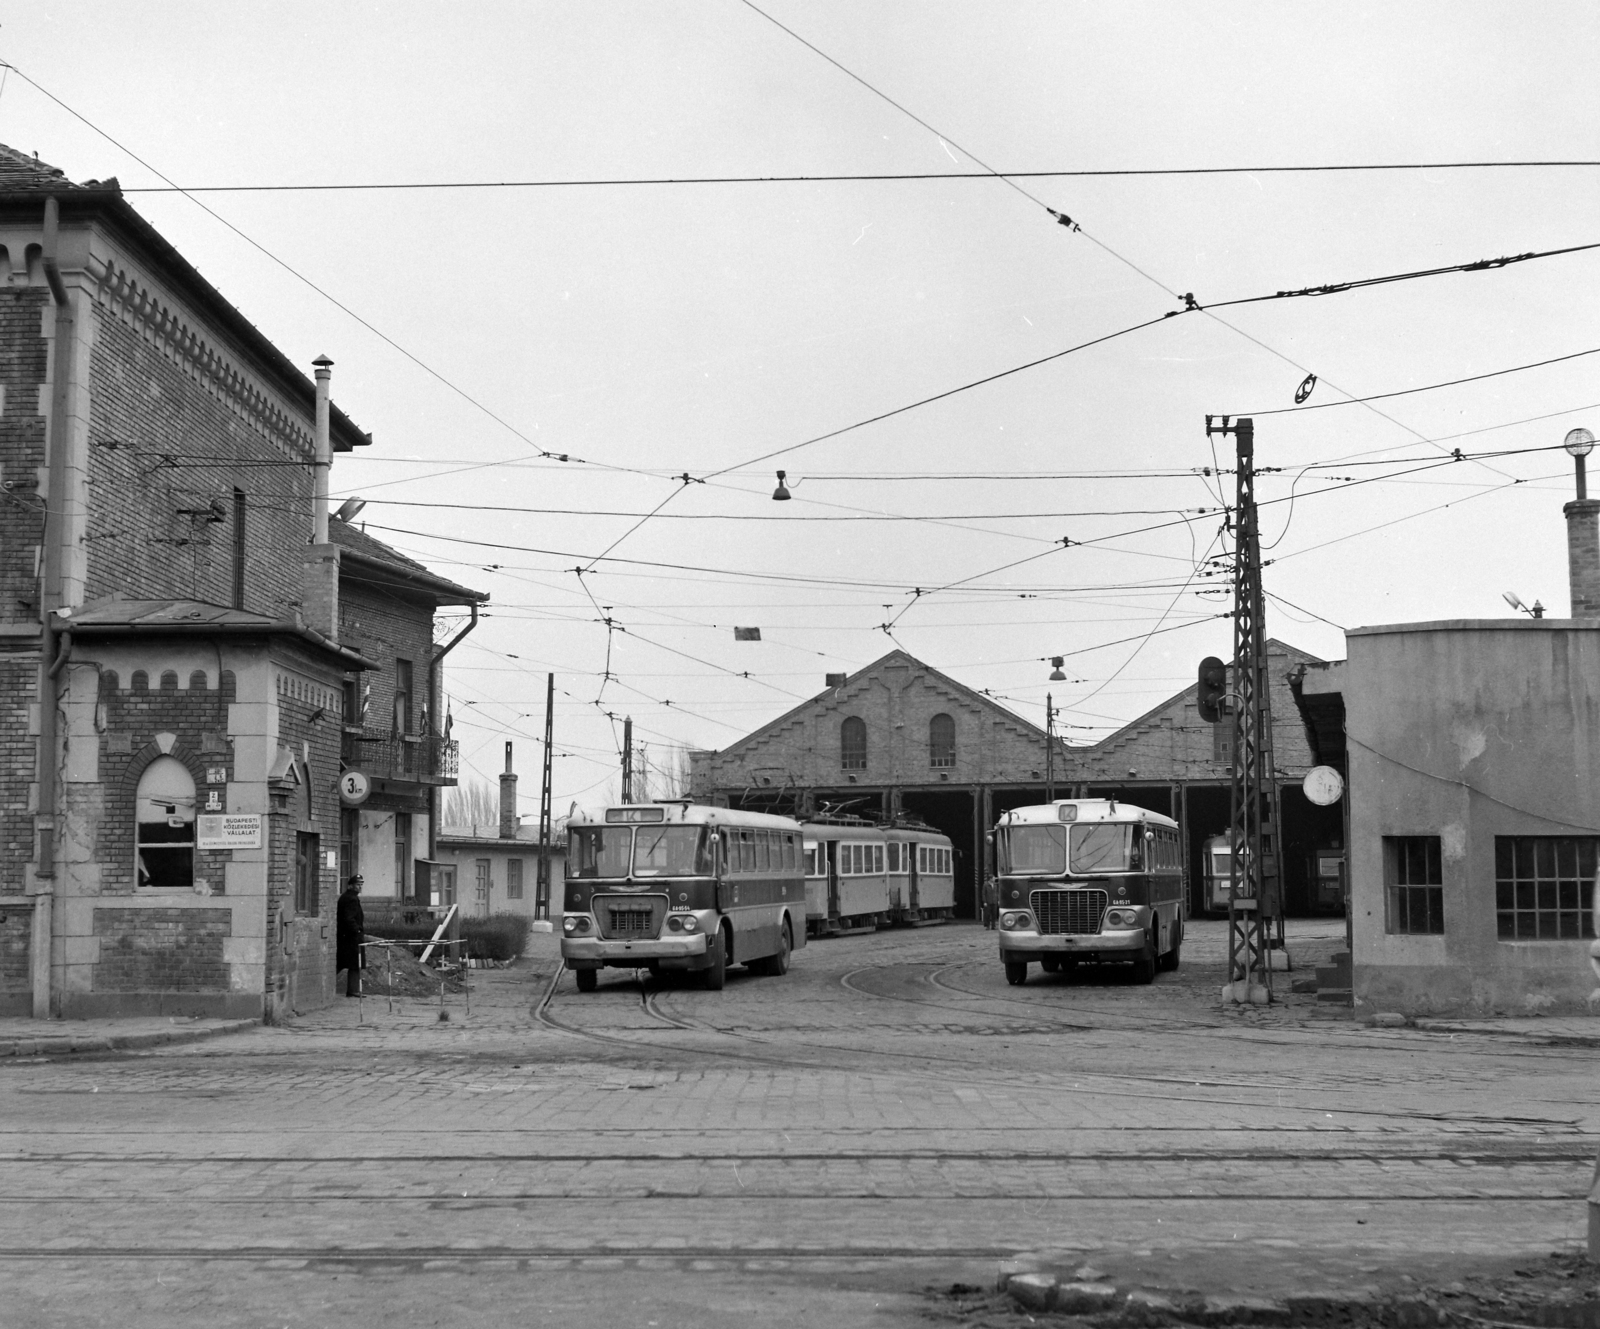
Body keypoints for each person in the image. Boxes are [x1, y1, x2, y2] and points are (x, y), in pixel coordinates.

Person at [336, 874, 365, 998]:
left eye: (361, 885)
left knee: (343, 962)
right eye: (357, 885)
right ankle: (353, 990)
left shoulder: (346, 897)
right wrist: (357, 931)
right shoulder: (351, 899)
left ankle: (353, 990)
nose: (359, 887)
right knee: (354, 963)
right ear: (351, 885)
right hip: (351, 937)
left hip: (346, 936)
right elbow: (349, 918)